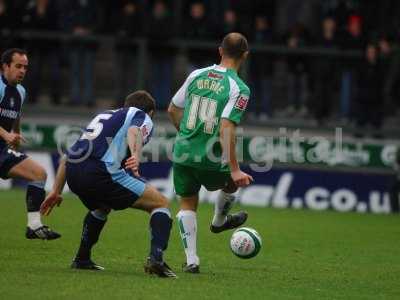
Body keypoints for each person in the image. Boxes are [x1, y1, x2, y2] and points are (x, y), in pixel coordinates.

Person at [40, 90, 177, 278]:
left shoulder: (104, 115)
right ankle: (156, 259)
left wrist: (55, 190)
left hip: (73, 171)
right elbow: (134, 131)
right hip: (100, 171)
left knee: (102, 205)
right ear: (151, 112)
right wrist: (136, 155)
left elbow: (68, 156)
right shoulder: (140, 115)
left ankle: (82, 258)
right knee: (161, 203)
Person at [167, 33, 253, 273]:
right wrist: (235, 169)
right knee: (231, 184)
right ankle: (218, 221)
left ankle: (192, 260)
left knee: (187, 203)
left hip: (182, 151)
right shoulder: (239, 88)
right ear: (245, 56)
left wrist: (186, 134)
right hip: (211, 157)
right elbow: (226, 125)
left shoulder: (196, 74)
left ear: (220, 50)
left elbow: (173, 109)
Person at [0, 48, 60, 240]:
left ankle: (34, 226)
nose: (23, 71)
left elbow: (16, 114)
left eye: (25, 67)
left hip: (1, 150)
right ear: (5, 66)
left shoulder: (20, 91)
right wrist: (6, 135)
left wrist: (16, 134)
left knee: (39, 174)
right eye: (18, 66)